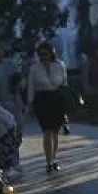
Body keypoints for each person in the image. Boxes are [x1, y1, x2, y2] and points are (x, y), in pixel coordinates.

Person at [26, 44, 70, 173]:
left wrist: (66, 103)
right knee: (47, 131)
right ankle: (48, 161)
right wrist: (29, 103)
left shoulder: (60, 65)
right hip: (42, 100)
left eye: (45, 54)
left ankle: (54, 159)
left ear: (51, 53)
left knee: (55, 132)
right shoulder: (34, 68)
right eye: (40, 54)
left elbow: (64, 84)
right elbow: (31, 86)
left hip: (56, 99)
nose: (43, 57)